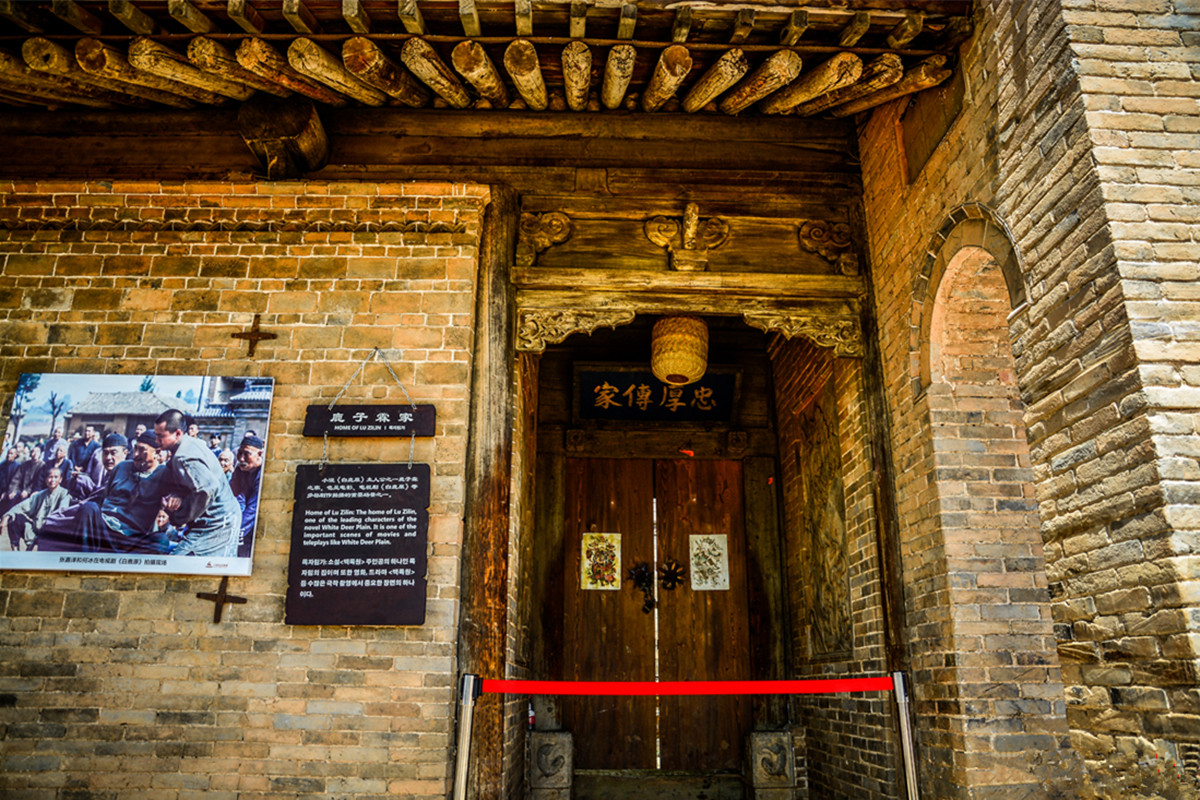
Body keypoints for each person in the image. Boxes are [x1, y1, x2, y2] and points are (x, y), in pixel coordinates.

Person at [36, 432, 172, 554]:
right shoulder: (121, 467)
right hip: (104, 529)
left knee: (161, 540)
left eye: (142, 450)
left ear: (158, 452)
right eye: (135, 448)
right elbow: (102, 498)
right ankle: (85, 565)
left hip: (132, 537)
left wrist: (174, 498)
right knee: (89, 508)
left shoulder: (164, 475)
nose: (135, 454)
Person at [154, 410, 240, 558]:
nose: (156, 441)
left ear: (178, 433)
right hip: (217, 519)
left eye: (161, 436)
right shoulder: (190, 444)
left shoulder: (184, 456)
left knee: (177, 564)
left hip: (217, 522)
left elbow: (207, 489)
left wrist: (180, 515)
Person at [2, 466, 70, 550]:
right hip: (35, 530)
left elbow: (61, 514)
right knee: (14, 518)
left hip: (51, 532)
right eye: (50, 477)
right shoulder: (41, 494)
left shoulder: (64, 494)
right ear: (46, 479)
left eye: (56, 477)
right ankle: (16, 551)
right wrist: (7, 516)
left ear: (60, 479)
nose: (52, 480)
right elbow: (22, 506)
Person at [230, 434, 264, 559]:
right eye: (239, 453)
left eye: (247, 454)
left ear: (259, 454)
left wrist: (237, 531)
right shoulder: (240, 471)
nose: (241, 458)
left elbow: (253, 509)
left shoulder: (263, 474)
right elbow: (231, 495)